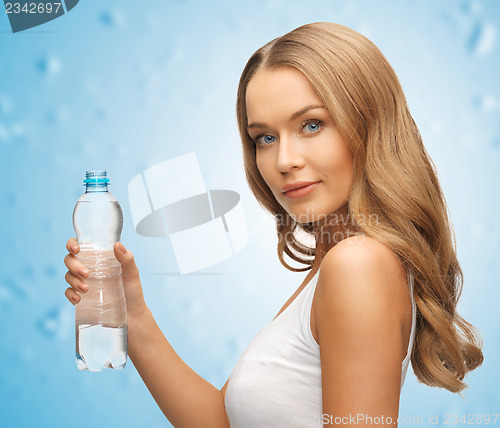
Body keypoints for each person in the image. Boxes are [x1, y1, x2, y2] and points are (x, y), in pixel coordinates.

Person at [63, 22, 484, 427]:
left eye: (312, 125)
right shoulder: (334, 266)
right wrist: (131, 314)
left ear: (370, 125)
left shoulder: (357, 265)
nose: (284, 161)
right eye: (264, 137)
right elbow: (222, 424)